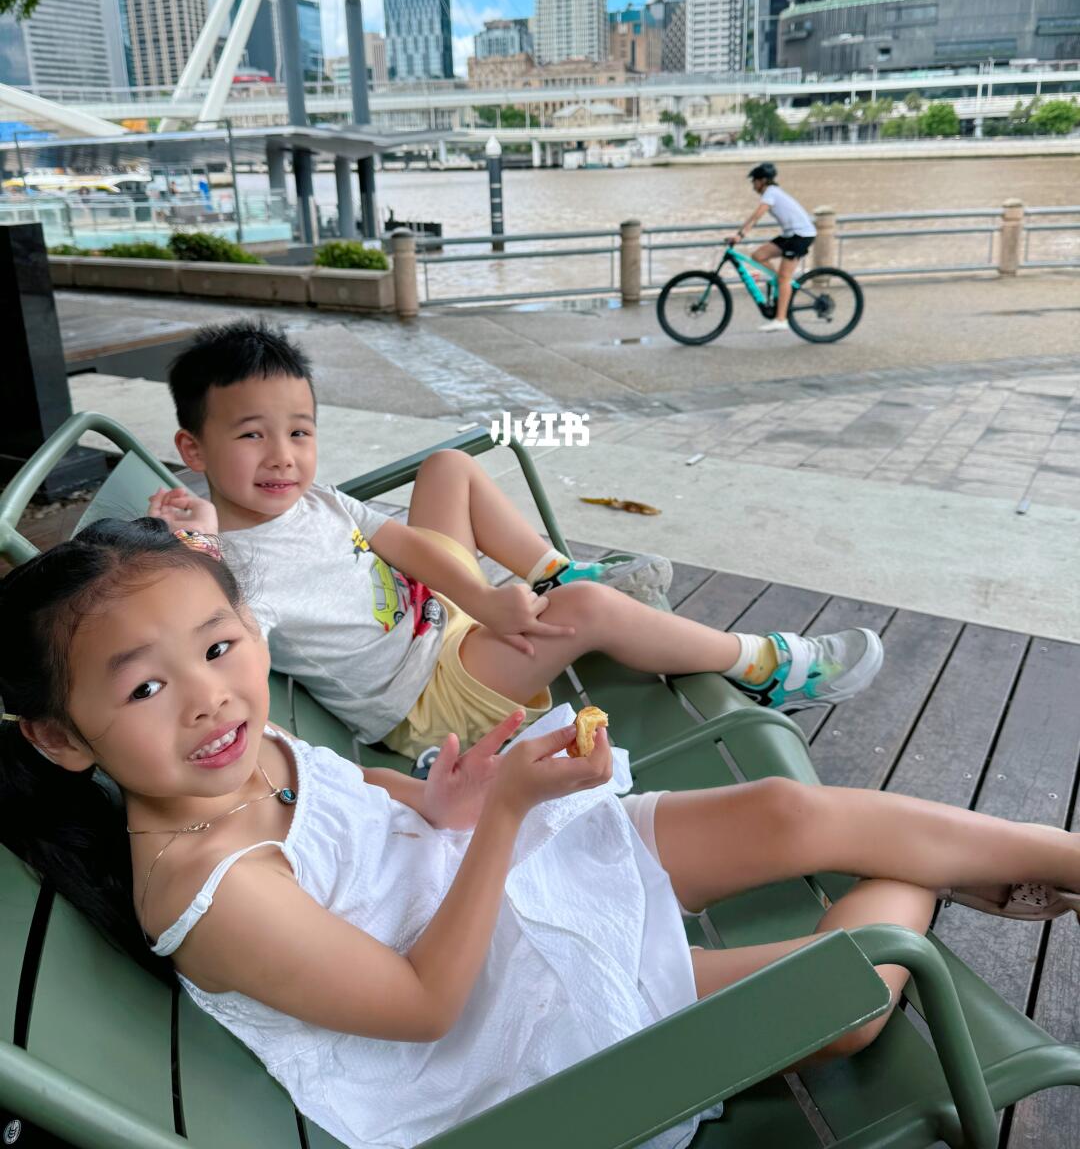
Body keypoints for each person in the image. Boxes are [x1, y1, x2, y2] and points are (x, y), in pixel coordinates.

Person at [2, 521, 1078, 1149]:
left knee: (791, 812)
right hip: (499, 1036)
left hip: (489, 889)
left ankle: (1034, 856)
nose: (209, 699)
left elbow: (345, 786)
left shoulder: (238, 752)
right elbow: (425, 1007)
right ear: (59, 737)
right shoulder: (209, 887)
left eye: (218, 646)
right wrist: (506, 815)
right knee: (850, 992)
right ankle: (931, 878)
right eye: (145, 687)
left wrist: (441, 801)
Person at [146, 321, 885, 761]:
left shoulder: (314, 499)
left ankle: (558, 573)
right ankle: (764, 666)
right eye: (252, 436)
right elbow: (230, 655)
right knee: (590, 612)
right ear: (194, 448)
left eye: (300, 433)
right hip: (428, 696)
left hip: (443, 619)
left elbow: (402, 541)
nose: (283, 457)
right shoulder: (235, 575)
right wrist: (201, 543)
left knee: (448, 467)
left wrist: (480, 599)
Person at [732, 163, 817, 333]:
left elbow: (757, 216)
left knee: (784, 278)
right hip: (790, 235)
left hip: (801, 235)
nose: (753, 185)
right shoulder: (773, 192)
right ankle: (780, 282)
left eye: (754, 181)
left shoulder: (771, 192)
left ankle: (781, 320)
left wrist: (740, 235)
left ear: (763, 181)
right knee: (758, 256)